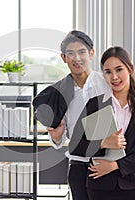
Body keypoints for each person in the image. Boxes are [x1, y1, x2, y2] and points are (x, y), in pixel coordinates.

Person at [33, 30, 111, 200]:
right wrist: (56, 136)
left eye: (82, 52)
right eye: (70, 54)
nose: (77, 58)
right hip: (78, 166)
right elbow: (58, 142)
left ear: (91, 53)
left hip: (108, 163)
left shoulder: (107, 84)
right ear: (64, 58)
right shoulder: (59, 92)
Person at [75, 46, 135, 200]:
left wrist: (116, 165)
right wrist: (103, 143)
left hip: (134, 186)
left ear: (130, 69)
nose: (114, 77)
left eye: (119, 69)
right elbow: (76, 146)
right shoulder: (95, 104)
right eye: (108, 72)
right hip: (99, 186)